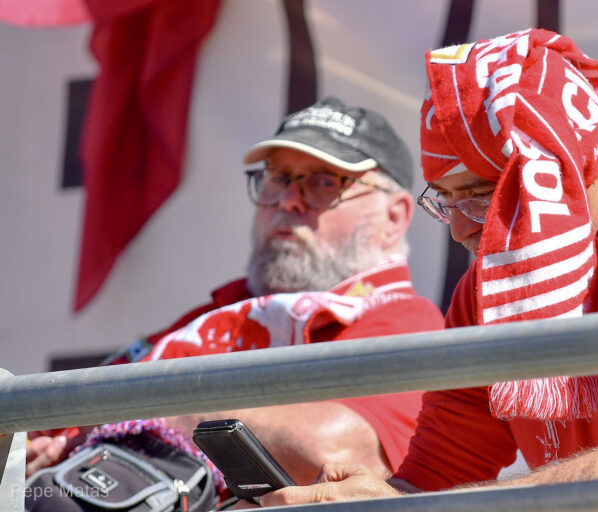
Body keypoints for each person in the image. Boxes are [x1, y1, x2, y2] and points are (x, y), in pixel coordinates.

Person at [260, 29, 598, 507]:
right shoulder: (493, 281)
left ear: (556, 170)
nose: (459, 230)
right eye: (445, 199)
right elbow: (433, 481)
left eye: (482, 196)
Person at [24, 97, 445, 492]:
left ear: (394, 217)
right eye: (278, 178)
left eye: (323, 182)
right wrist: (49, 448)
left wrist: (149, 414)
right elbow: (56, 428)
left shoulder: (405, 321)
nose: (288, 200)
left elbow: (333, 455)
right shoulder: (222, 312)